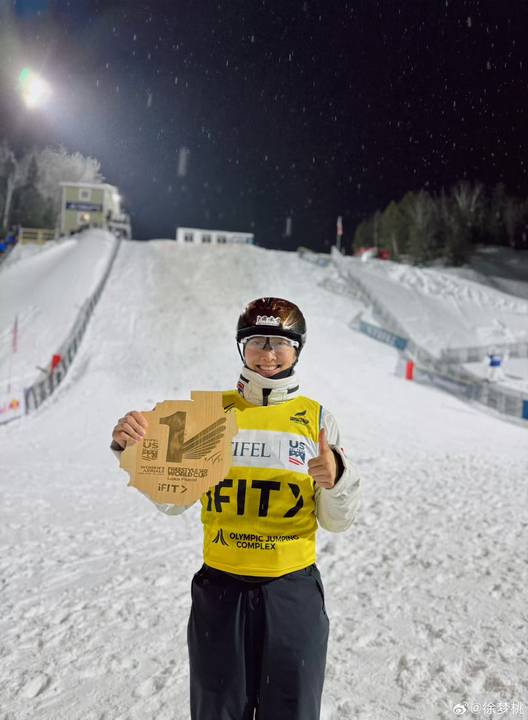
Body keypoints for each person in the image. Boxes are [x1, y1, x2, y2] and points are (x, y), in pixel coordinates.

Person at [110, 297, 361, 720]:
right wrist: (130, 449)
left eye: (280, 342)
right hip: (221, 592)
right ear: (241, 347)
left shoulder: (316, 418)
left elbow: (338, 520)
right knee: (217, 711)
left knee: (292, 711)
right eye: (257, 341)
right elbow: (173, 501)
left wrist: (337, 479)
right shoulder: (212, 414)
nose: (268, 353)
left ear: (298, 349)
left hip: (291, 592)